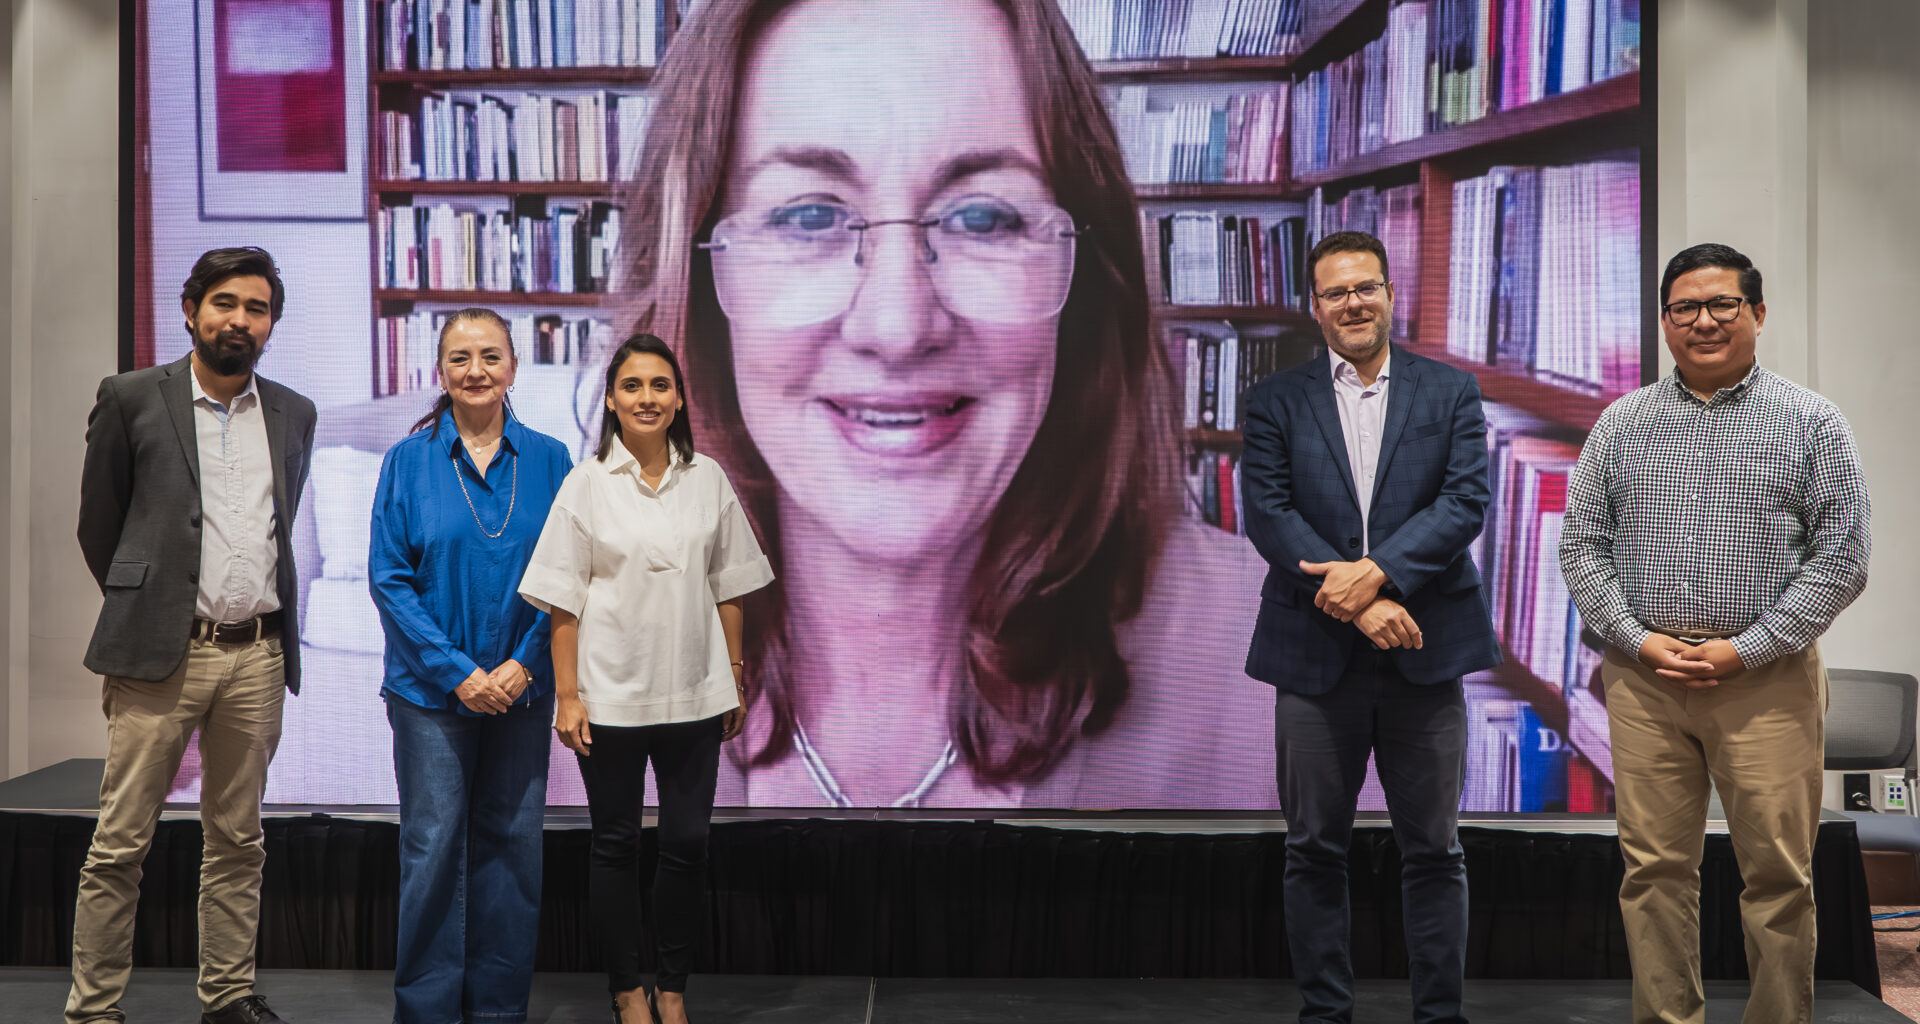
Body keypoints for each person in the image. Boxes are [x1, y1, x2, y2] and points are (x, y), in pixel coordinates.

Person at [610, 0, 1274, 809]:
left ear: (1087, 279)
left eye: (984, 217)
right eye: (808, 216)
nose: (897, 325)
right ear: (701, 283)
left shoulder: (1281, 671)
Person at [1560, 243, 1871, 1024]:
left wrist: (1748, 648)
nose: (1703, 321)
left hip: (1765, 680)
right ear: (1664, 321)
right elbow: (1580, 546)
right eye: (1684, 308)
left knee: (1778, 877)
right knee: (1655, 872)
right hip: (1646, 679)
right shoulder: (1621, 423)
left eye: (1722, 305)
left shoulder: (1811, 422)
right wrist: (1634, 637)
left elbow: (1844, 559)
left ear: (1757, 314)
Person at [1239, 229, 1501, 1024]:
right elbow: (1269, 515)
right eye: (1335, 292)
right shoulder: (1275, 402)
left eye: (1366, 287)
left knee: (1436, 852)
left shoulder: (1449, 391)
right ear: (1314, 308)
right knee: (1314, 850)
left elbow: (1464, 503)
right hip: (1314, 662)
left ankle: (1440, 1015)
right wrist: (1360, 602)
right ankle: (1326, 1014)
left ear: (1391, 294)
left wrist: (1376, 576)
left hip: (1425, 655)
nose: (1353, 302)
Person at [69, 247, 317, 1024]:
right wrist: (151, 606)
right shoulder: (133, 396)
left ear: (271, 324)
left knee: (239, 841)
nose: (239, 319)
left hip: (257, 657)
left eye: (257, 308)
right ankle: (94, 1007)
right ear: (191, 310)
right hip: (160, 657)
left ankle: (228, 997)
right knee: (120, 845)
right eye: (225, 303)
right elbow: (98, 526)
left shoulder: (293, 412)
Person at [519, 334, 774, 1024]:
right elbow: (561, 600)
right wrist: (568, 695)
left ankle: (673, 987)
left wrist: (736, 675)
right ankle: (627, 990)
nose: (647, 398)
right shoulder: (585, 483)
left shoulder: (708, 479)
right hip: (610, 697)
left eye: (660, 385)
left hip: (696, 692)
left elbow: (732, 586)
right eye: (632, 386)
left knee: (688, 843)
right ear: (610, 398)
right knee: (616, 843)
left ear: (680, 397)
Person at [368, 309, 573, 1024]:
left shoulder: (552, 460)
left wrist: (523, 664)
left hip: (523, 690)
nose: (476, 370)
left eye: (490, 356)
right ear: (441, 371)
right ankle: (426, 1013)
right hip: (429, 697)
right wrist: (456, 671)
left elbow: (570, 576)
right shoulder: (407, 460)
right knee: (430, 853)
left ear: (513, 367)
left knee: (512, 850)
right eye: (460, 358)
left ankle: (496, 1011)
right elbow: (389, 578)